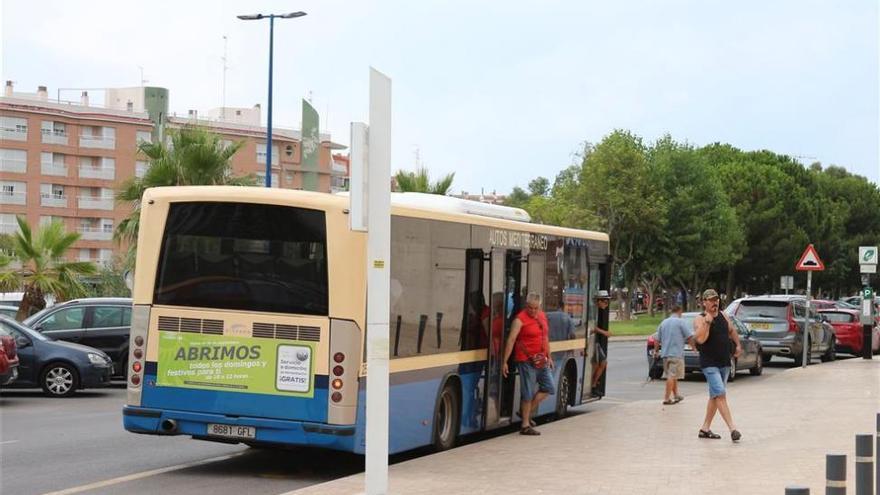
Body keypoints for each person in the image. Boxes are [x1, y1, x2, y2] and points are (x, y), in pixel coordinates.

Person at [693, 288, 743, 442]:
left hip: (724, 363)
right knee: (720, 393)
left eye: (716, 300)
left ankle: (705, 428)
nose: (715, 303)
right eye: (711, 300)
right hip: (709, 363)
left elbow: (732, 330)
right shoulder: (700, 319)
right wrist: (707, 322)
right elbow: (700, 339)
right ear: (704, 303)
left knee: (715, 396)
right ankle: (733, 429)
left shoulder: (724, 315)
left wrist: (738, 345)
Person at [502, 292, 554, 436]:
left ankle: (525, 411)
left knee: (549, 387)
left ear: (540, 306)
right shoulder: (519, 320)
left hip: (541, 359)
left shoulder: (542, 316)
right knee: (528, 392)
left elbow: (545, 337)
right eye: (530, 308)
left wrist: (549, 356)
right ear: (526, 305)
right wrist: (505, 361)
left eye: (536, 308)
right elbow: (511, 340)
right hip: (525, 360)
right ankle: (525, 425)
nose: (533, 311)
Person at [652, 305, 693, 405]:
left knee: (672, 375)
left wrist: (656, 351)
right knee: (671, 376)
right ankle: (667, 398)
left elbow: (656, 339)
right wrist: (694, 347)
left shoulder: (664, 322)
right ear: (679, 311)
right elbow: (689, 336)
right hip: (676, 354)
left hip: (665, 354)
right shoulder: (680, 322)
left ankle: (676, 395)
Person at [590, 290, 612, 396]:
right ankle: (592, 385)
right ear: (599, 301)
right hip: (592, 341)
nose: (606, 304)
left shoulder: (596, 310)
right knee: (597, 363)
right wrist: (604, 332)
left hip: (594, 340)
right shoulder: (591, 310)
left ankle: (593, 384)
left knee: (602, 363)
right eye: (605, 301)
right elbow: (591, 327)